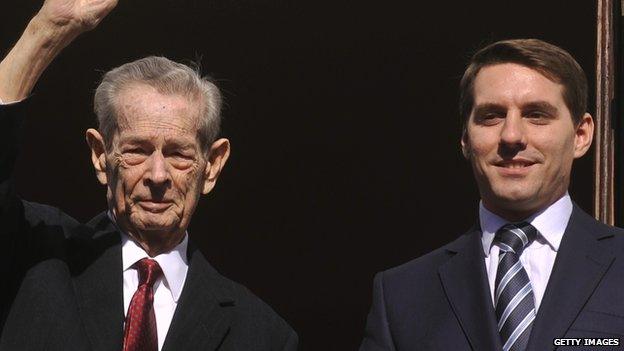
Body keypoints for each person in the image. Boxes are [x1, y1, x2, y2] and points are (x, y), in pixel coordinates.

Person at [0, 0, 297, 350]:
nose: (158, 175)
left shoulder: (262, 335)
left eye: (178, 154)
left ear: (212, 164)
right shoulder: (32, 257)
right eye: (138, 150)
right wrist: (46, 32)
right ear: (100, 156)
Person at [360, 39, 624, 351]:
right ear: (465, 139)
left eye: (536, 114)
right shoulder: (402, 295)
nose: (511, 135)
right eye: (491, 116)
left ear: (581, 135)